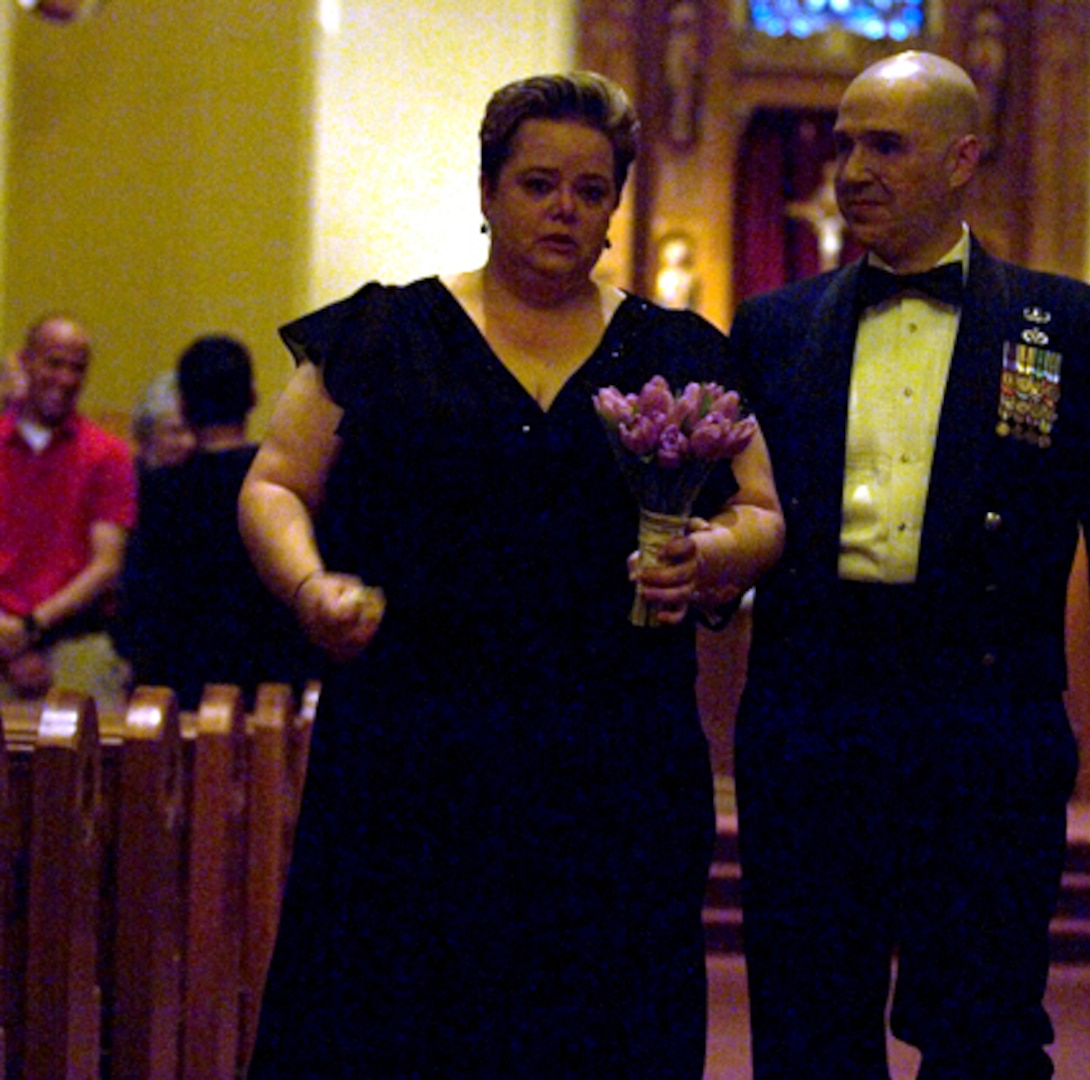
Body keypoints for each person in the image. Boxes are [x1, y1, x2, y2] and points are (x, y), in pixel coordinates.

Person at [239, 71, 783, 1076]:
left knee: (590, 1021)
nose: (564, 209)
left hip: (609, 753)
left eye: (589, 189)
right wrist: (310, 585)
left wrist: (709, 557)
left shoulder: (672, 348)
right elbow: (274, 484)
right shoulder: (380, 332)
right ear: (488, 191)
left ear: (615, 205)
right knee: (393, 1014)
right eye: (538, 183)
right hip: (411, 743)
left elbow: (760, 513)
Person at [730, 51, 1090, 1078]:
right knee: (807, 1026)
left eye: (884, 145)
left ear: (961, 158)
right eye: (843, 142)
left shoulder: (1069, 325)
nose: (850, 168)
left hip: (984, 725)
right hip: (811, 718)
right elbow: (727, 512)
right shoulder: (770, 327)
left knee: (982, 1030)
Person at [116, 334, 318, 709]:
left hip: (178, 696)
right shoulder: (283, 488)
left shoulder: (160, 491)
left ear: (183, 404)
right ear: (253, 397)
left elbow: (137, 602)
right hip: (273, 694)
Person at [0, 314, 136, 708]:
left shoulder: (107, 453)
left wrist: (30, 626)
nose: (65, 378)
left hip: (75, 641)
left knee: (91, 758)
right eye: (54, 363)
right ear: (25, 362)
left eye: (77, 368)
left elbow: (107, 564)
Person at [129, 369, 195, 476]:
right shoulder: (126, 478)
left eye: (194, 431)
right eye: (175, 432)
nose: (189, 442)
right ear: (147, 434)